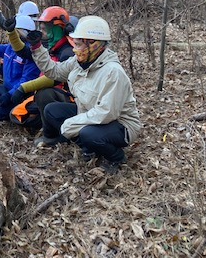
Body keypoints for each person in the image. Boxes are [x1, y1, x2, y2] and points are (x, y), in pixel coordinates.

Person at [26, 16, 142, 174]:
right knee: (51, 110)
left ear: (93, 45)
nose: (75, 48)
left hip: (120, 124)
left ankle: (116, 157)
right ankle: (89, 146)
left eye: (79, 44)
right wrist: (37, 47)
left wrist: (71, 124)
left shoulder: (113, 72)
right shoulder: (79, 61)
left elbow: (107, 113)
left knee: (88, 133)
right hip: (89, 113)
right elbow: (54, 71)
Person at [6, 6, 75, 138]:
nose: (42, 33)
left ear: (56, 28)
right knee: (16, 114)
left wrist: (23, 88)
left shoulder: (67, 52)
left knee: (43, 95)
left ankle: (55, 133)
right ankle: (47, 121)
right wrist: (12, 33)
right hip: (50, 97)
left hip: (64, 98)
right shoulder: (52, 46)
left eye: (45, 29)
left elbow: (54, 77)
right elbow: (24, 52)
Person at [0, 14, 40, 121]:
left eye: (16, 31)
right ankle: (5, 102)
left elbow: (26, 80)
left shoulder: (30, 53)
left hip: (20, 94)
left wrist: (10, 95)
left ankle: (20, 108)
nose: (12, 35)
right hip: (6, 88)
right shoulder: (10, 48)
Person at [0, 0, 39, 76]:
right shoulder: (10, 46)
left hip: (27, 68)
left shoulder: (35, 40)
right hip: (15, 52)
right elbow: (7, 25)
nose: (16, 32)